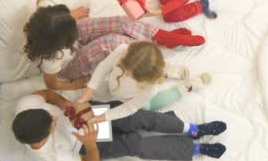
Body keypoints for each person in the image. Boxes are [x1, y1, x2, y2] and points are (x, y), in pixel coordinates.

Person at [12, 90, 228, 161]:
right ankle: (196, 148)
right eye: (52, 122)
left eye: (49, 114)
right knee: (137, 145)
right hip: (86, 146)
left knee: (137, 117)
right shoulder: (52, 158)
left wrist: (68, 104)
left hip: (85, 115)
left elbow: (48, 95)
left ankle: (193, 129)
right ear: (46, 135)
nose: (53, 117)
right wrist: (89, 143)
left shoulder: (26, 105)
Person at [23, 4, 206, 91]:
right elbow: (51, 83)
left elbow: (57, 23)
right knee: (110, 43)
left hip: (68, 38)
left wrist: (71, 16)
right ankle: (157, 64)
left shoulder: (45, 25)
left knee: (119, 22)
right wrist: (73, 85)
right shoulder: (52, 60)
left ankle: (162, 37)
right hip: (69, 67)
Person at [75, 42, 211, 124]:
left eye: (131, 75)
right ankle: (166, 69)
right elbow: (103, 67)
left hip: (132, 96)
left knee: (150, 106)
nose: (126, 74)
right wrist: (89, 91)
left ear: (145, 78)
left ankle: (187, 86)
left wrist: (104, 117)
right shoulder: (123, 50)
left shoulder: (150, 89)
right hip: (115, 89)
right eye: (124, 69)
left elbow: (129, 108)